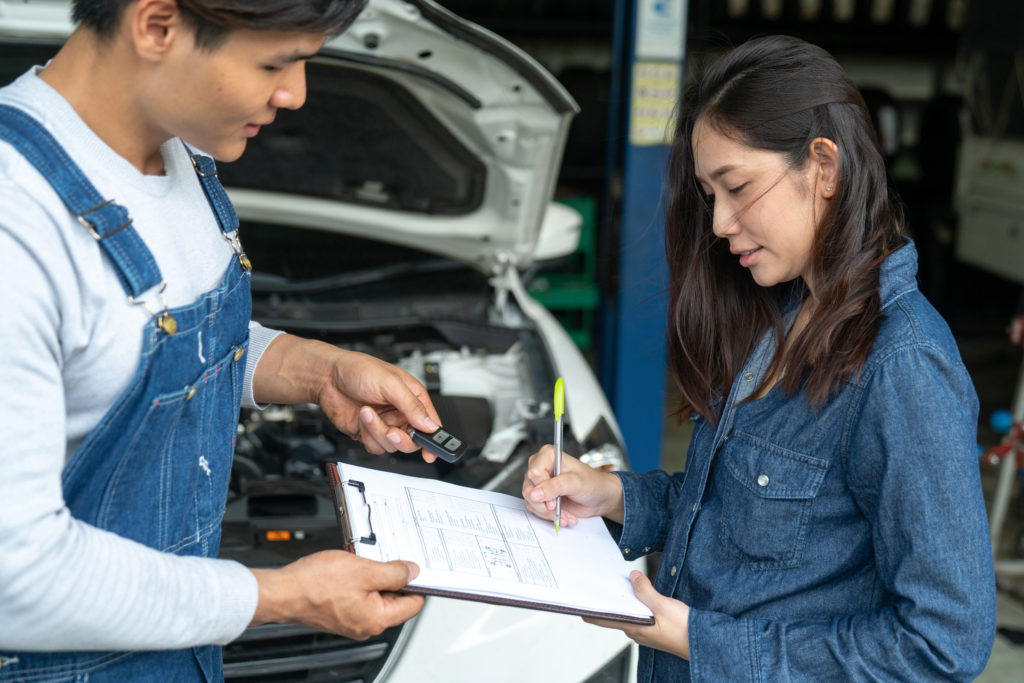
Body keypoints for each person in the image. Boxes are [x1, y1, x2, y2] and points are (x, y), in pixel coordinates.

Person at [523, 35, 996, 681]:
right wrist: (612, 496)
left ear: (824, 166)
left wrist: (699, 640)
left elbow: (942, 646)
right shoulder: (779, 315)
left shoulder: (903, 367)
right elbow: (747, 513)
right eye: (708, 194)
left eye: (736, 186)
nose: (718, 223)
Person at [0, 0, 445, 679]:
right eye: (275, 62)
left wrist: (313, 370)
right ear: (156, 25)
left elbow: (129, 346)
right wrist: (283, 595)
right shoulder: (18, 223)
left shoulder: (179, 151)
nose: (296, 94)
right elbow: (17, 576)